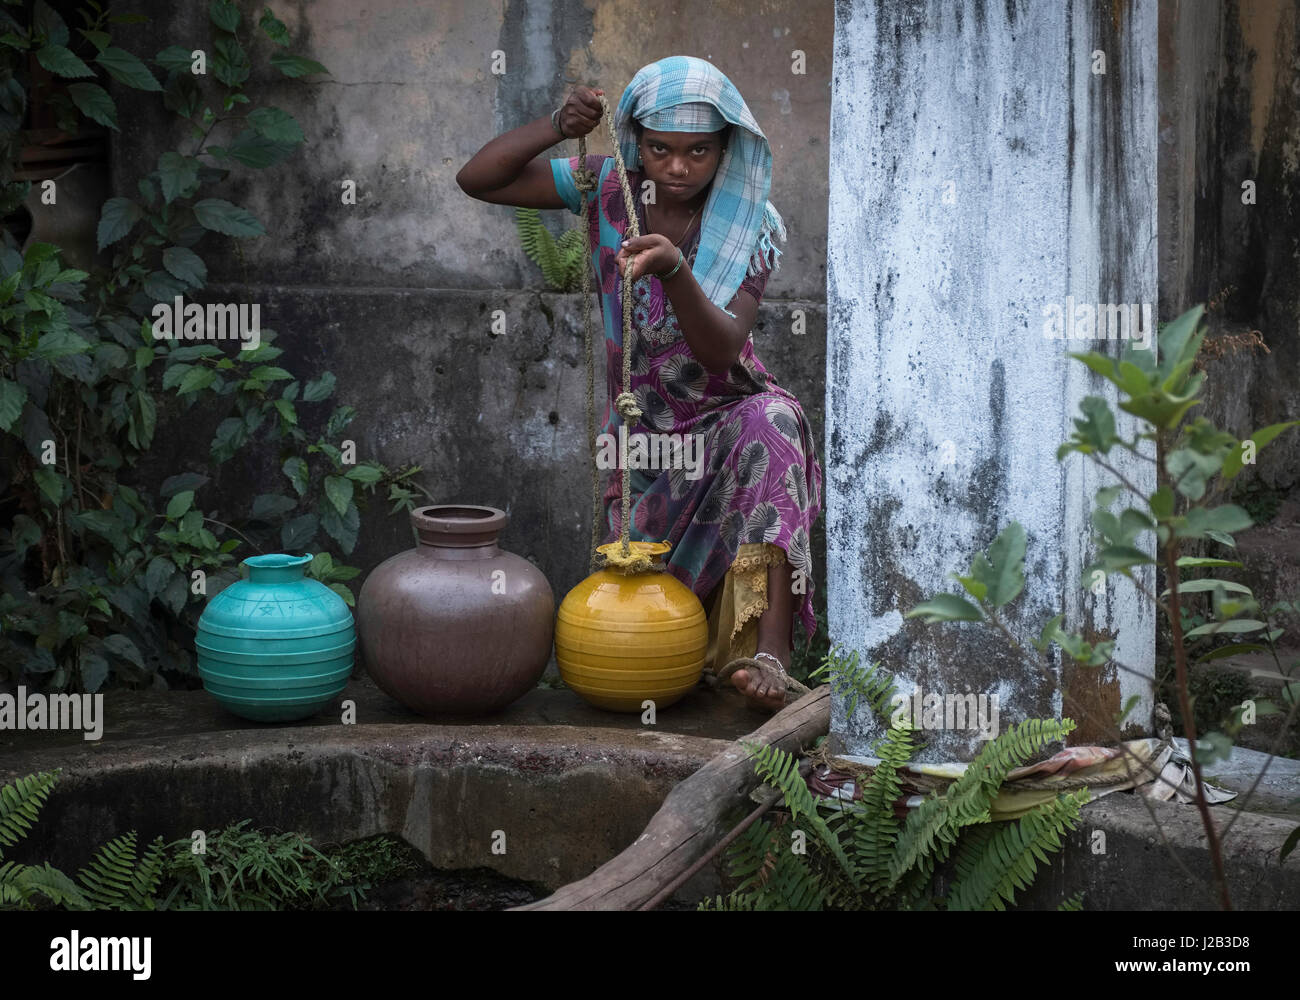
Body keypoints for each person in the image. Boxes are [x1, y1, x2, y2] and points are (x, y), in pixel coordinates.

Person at [456, 55, 824, 712]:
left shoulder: (750, 224)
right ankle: (708, 665)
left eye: (697, 152)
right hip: (642, 434)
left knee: (777, 422)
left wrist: (678, 271)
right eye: (660, 148)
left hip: (729, 417)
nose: (677, 168)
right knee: (638, 622)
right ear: (637, 140)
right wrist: (553, 123)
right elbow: (479, 178)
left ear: (724, 148)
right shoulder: (609, 191)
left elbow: (720, 352)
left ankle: (771, 653)